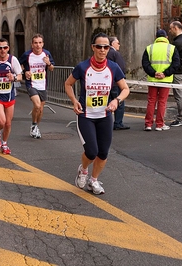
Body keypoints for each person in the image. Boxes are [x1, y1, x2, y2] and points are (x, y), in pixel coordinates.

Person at [64, 32, 130, 195]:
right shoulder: (83, 67)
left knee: (103, 152)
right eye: (99, 46)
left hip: (105, 116)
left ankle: (93, 180)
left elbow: (125, 89)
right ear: (93, 47)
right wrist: (74, 101)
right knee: (92, 151)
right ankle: (84, 170)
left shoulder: (113, 68)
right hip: (86, 116)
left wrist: (116, 101)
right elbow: (68, 84)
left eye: (106, 47)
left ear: (109, 49)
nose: (102, 50)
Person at [142, 29, 180, 131]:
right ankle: (159, 124)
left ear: (156, 38)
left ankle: (148, 124)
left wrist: (154, 73)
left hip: (153, 79)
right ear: (166, 37)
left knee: (151, 101)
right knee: (162, 102)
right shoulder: (172, 48)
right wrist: (165, 73)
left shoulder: (149, 48)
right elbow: (176, 64)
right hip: (166, 79)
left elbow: (145, 64)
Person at [19, 33, 55, 139]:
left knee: (41, 109)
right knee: (37, 105)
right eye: (35, 43)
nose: (37, 45)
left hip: (43, 84)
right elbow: (19, 65)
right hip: (31, 84)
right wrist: (24, 72)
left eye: (40, 43)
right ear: (32, 44)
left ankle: (35, 127)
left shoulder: (46, 54)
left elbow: (52, 68)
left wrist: (48, 63)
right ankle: (34, 125)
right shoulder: (27, 55)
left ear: (43, 44)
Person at [169, 21, 182, 127]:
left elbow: (174, 58)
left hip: (179, 72)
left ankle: (181, 118)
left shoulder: (178, 43)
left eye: (171, 28)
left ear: (176, 28)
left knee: (179, 95)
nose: (170, 31)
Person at [107, 36, 130, 130]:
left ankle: (106, 122)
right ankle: (118, 123)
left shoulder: (105, 53)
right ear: (112, 44)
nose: (119, 45)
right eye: (118, 43)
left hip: (107, 83)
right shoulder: (115, 54)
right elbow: (121, 67)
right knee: (119, 102)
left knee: (107, 103)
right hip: (116, 83)